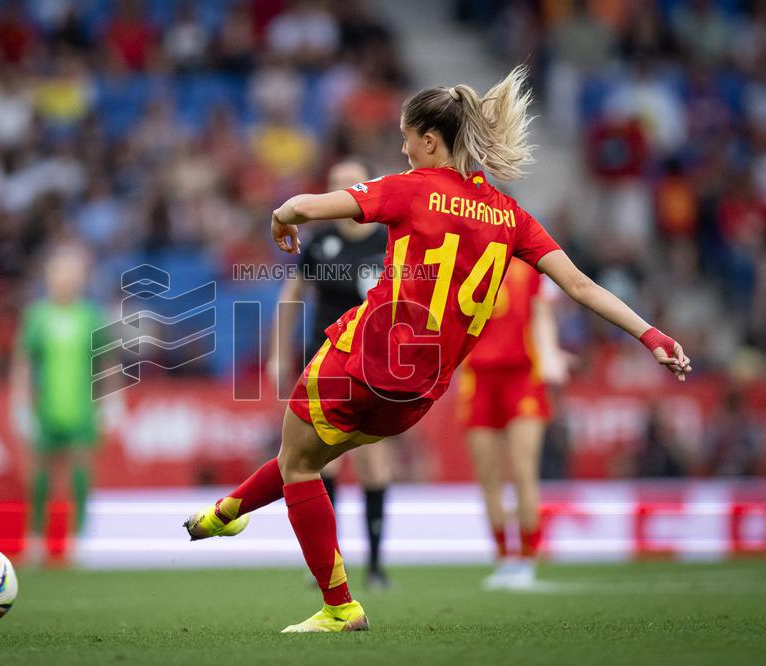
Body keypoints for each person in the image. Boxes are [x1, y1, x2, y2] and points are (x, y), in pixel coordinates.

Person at [183, 65, 691, 633]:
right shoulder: (511, 216)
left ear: (430, 139)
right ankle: (226, 514)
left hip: (363, 358)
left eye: (406, 137)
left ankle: (339, 606)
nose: (402, 149)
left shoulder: (410, 187)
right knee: (306, 457)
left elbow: (304, 208)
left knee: (299, 466)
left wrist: (280, 216)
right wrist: (652, 335)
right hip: (418, 393)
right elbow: (581, 286)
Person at [268, 159, 396, 590]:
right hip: (327, 362)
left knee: (373, 459)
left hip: (376, 362)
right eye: (337, 183)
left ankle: (375, 566)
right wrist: (278, 354)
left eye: (351, 183)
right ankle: (328, 562)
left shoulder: (388, 239)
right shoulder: (319, 243)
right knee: (323, 461)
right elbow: (291, 297)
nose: (344, 190)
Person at [459, 258, 567, 590]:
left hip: (522, 375)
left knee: (523, 470)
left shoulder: (531, 265)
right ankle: (505, 558)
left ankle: (527, 559)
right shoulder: (464, 261)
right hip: (478, 377)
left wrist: (550, 354)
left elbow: (541, 315)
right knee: (488, 475)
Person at [11, 245, 108, 565]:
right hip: (46, 409)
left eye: (72, 273)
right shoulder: (37, 316)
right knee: (40, 477)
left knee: (80, 474)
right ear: (49, 277)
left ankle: (78, 541)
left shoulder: (91, 315)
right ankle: (35, 540)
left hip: (82, 410)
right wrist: (20, 402)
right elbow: (24, 361)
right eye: (60, 272)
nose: (65, 279)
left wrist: (111, 402)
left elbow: (107, 361)